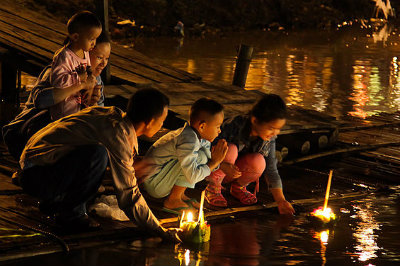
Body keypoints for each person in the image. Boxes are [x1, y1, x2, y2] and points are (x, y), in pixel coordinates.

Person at [18, 88, 179, 240]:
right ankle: (72, 215)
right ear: (150, 122)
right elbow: (128, 195)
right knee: (98, 154)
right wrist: (158, 229)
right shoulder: (117, 134)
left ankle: (56, 203)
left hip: (37, 169)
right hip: (36, 176)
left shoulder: (112, 117)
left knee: (100, 157)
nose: (162, 126)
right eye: (162, 121)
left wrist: (129, 167)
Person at [2, 31, 111, 161]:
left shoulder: (97, 81)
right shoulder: (58, 72)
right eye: (99, 57)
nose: (104, 63)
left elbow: (98, 120)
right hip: (29, 133)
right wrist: (79, 86)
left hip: (66, 137)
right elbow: (40, 101)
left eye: (107, 58)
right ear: (85, 53)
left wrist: (93, 103)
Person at [205, 94, 295, 215]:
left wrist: (281, 201)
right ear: (255, 120)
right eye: (271, 128)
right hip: (214, 167)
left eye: (278, 129)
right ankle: (213, 187)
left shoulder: (268, 139)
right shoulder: (233, 126)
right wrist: (222, 165)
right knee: (230, 148)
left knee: (259, 161)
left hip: (236, 172)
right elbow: (205, 150)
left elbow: (271, 169)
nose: (274, 133)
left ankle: (238, 188)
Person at [141, 98, 228, 212]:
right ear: (202, 126)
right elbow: (193, 176)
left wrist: (217, 160)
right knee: (199, 158)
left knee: (201, 156)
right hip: (154, 183)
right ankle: (173, 200)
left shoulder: (199, 138)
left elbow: (209, 162)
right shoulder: (187, 140)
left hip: (162, 179)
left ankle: (180, 195)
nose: (219, 131)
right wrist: (215, 162)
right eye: (217, 127)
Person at [49, 10, 102, 120]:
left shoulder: (85, 53)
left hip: (79, 110)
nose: (94, 43)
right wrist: (79, 78)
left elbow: (88, 73)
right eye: (91, 39)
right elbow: (57, 81)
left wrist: (91, 87)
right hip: (64, 114)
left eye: (96, 39)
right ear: (76, 37)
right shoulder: (64, 56)